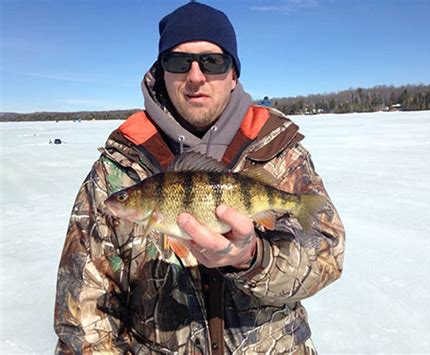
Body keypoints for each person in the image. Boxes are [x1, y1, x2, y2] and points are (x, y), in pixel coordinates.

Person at [54, 2, 345, 354]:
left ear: (234, 73)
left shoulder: (280, 151)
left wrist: (253, 258)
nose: (195, 76)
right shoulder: (117, 170)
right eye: (178, 62)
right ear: (162, 72)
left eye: (213, 61)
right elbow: (83, 317)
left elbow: (328, 255)